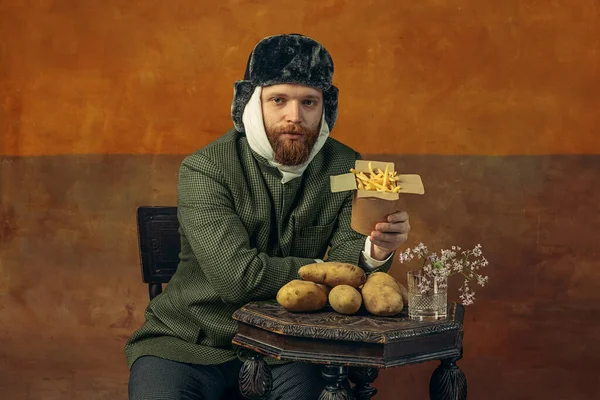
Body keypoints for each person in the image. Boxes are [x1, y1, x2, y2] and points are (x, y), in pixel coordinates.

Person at [126, 33, 411, 400]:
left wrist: (374, 250)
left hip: (290, 345)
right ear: (251, 103)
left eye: (309, 102)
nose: (295, 116)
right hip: (190, 341)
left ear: (326, 108)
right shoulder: (205, 168)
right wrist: (325, 266)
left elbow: (350, 274)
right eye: (279, 100)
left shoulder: (347, 165)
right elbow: (237, 278)